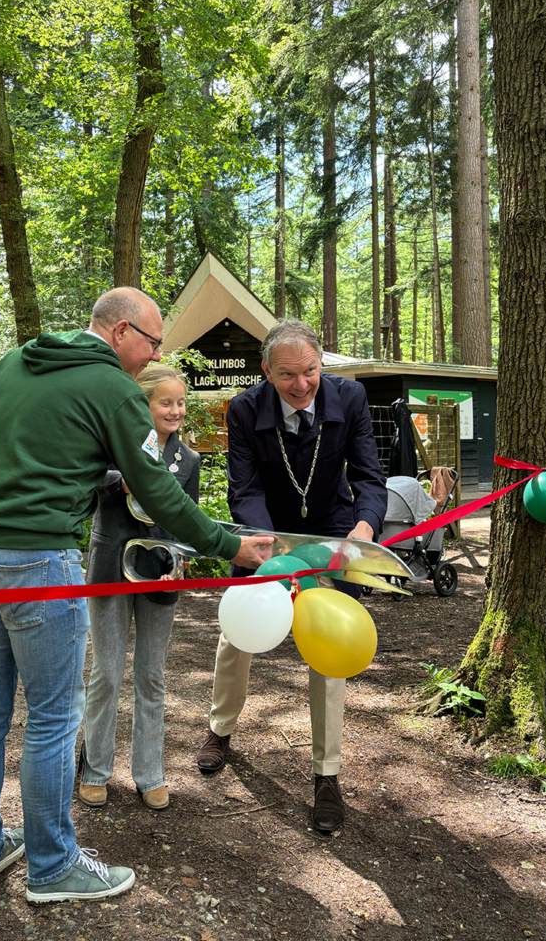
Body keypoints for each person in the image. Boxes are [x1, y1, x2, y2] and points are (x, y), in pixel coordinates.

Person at [0, 287, 272, 905]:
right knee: (51, 718)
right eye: (152, 341)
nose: (155, 354)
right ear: (122, 331)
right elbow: (158, 493)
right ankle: (51, 866)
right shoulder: (116, 391)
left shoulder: (18, 360)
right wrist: (228, 546)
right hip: (39, 557)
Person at [195, 318, 387, 833]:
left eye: (311, 371)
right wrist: (265, 546)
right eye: (287, 376)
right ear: (265, 371)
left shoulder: (350, 399)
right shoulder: (243, 409)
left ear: (321, 364)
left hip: (332, 534)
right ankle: (220, 729)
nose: (301, 385)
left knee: (327, 644)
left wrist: (364, 529)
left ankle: (326, 773)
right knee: (236, 635)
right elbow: (244, 485)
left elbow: (369, 476)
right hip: (262, 534)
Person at [79, 365, 197, 812]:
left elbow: (188, 520)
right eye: (165, 402)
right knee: (106, 673)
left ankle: (150, 774)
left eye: (180, 402)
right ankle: (94, 769)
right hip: (110, 568)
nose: (175, 410)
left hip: (159, 572)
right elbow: (84, 481)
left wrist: (180, 563)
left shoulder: (190, 462)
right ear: (143, 404)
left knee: (152, 675)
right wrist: (117, 479)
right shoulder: (114, 447)